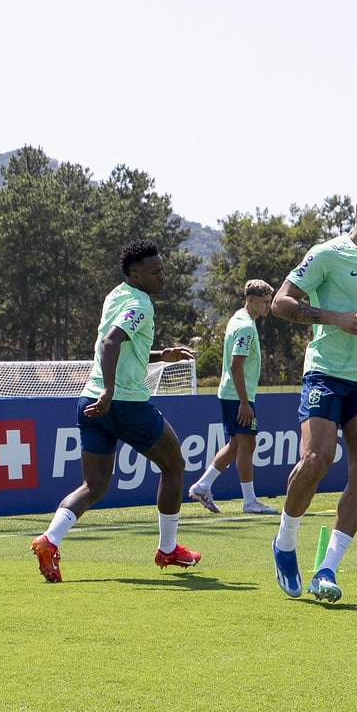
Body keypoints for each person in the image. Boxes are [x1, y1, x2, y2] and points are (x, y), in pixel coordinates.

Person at [30, 240, 200, 583]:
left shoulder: (116, 295)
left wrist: (156, 355)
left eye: (162, 270)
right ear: (135, 275)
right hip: (124, 402)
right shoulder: (141, 303)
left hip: (89, 401)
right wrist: (110, 391)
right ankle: (168, 548)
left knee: (93, 485)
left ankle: (49, 540)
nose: (162, 277)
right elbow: (110, 341)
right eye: (156, 272)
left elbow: (120, 346)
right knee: (174, 465)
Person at [268, 189, 357, 603]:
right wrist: (336, 319)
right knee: (317, 458)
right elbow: (280, 303)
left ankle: (327, 568)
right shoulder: (327, 254)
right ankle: (285, 542)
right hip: (326, 372)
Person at [187, 279, 276, 515]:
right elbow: (236, 366)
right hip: (238, 395)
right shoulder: (246, 326)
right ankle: (249, 501)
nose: (269, 306)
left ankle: (203, 485)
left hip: (232, 393)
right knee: (247, 444)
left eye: (270, 301)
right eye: (265, 302)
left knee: (237, 444)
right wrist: (245, 403)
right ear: (251, 300)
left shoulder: (239, 318)